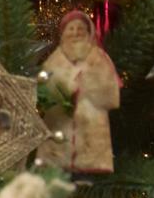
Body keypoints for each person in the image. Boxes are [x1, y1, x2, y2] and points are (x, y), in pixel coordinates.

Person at [36, 10, 120, 173]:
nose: (75, 33)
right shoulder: (54, 60)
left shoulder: (99, 58)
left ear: (89, 33)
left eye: (80, 29)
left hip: (91, 121)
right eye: (71, 29)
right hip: (59, 122)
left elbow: (110, 92)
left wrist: (88, 86)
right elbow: (44, 90)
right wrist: (63, 90)